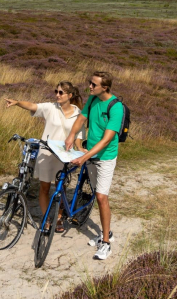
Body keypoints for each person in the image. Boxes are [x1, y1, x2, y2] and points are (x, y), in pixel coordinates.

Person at [5, 81, 85, 233]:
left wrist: (81, 150)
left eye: (61, 92)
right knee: (44, 187)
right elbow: (33, 106)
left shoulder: (78, 114)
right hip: (47, 153)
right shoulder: (50, 107)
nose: (57, 95)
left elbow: (78, 137)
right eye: (56, 91)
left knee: (60, 188)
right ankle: (46, 217)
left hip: (64, 155)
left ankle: (59, 217)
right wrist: (17, 103)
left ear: (70, 95)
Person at [65, 71, 120, 260]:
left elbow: (106, 140)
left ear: (104, 87)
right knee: (97, 193)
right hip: (91, 154)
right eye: (90, 83)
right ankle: (107, 232)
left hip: (105, 157)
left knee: (101, 197)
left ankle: (105, 242)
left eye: (93, 84)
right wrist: (72, 135)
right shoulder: (92, 99)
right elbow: (81, 119)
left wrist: (84, 156)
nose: (89, 86)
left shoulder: (116, 107)